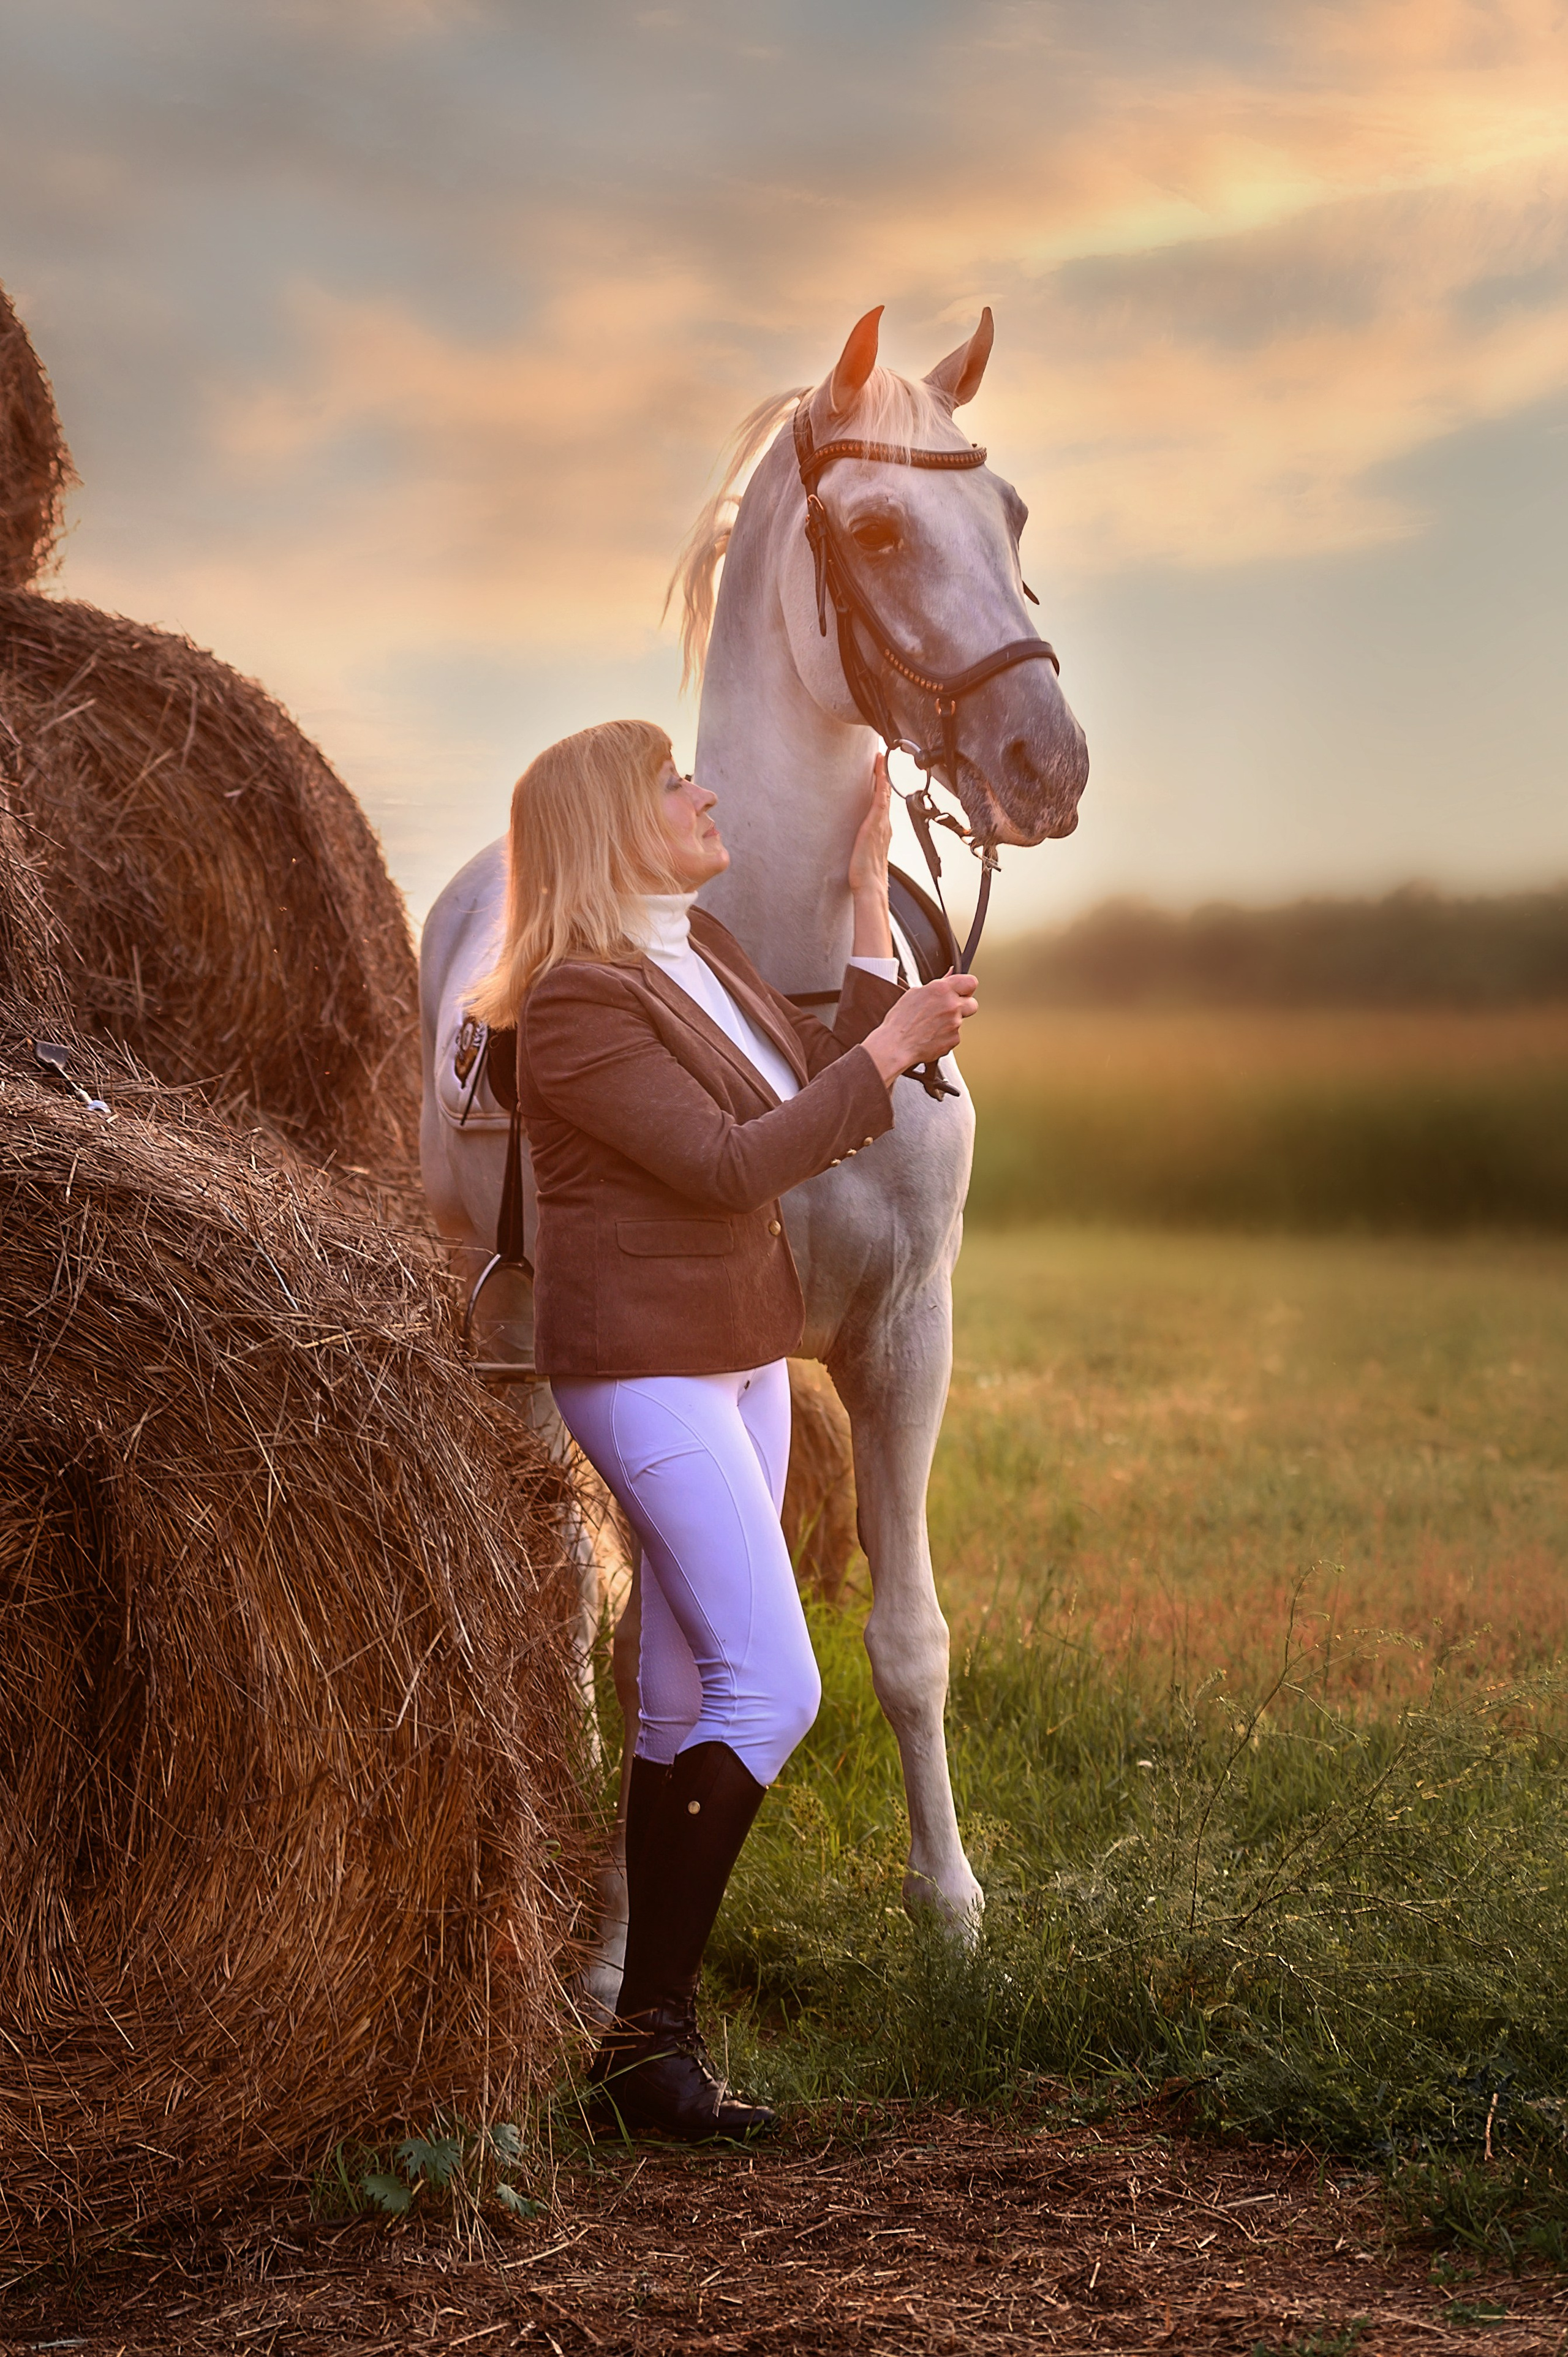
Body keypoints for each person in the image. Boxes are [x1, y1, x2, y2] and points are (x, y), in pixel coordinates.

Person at [470, 718, 977, 2141]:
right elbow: (729, 1161)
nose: (703, 790)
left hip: (740, 1357)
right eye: (669, 783)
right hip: (645, 1372)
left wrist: (870, 910)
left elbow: (811, 1073)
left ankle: (638, 2048)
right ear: (607, 830)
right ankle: (651, 2035)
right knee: (773, 1687)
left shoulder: (698, 948)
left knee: (683, 1692)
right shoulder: (574, 1003)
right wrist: (894, 1044)